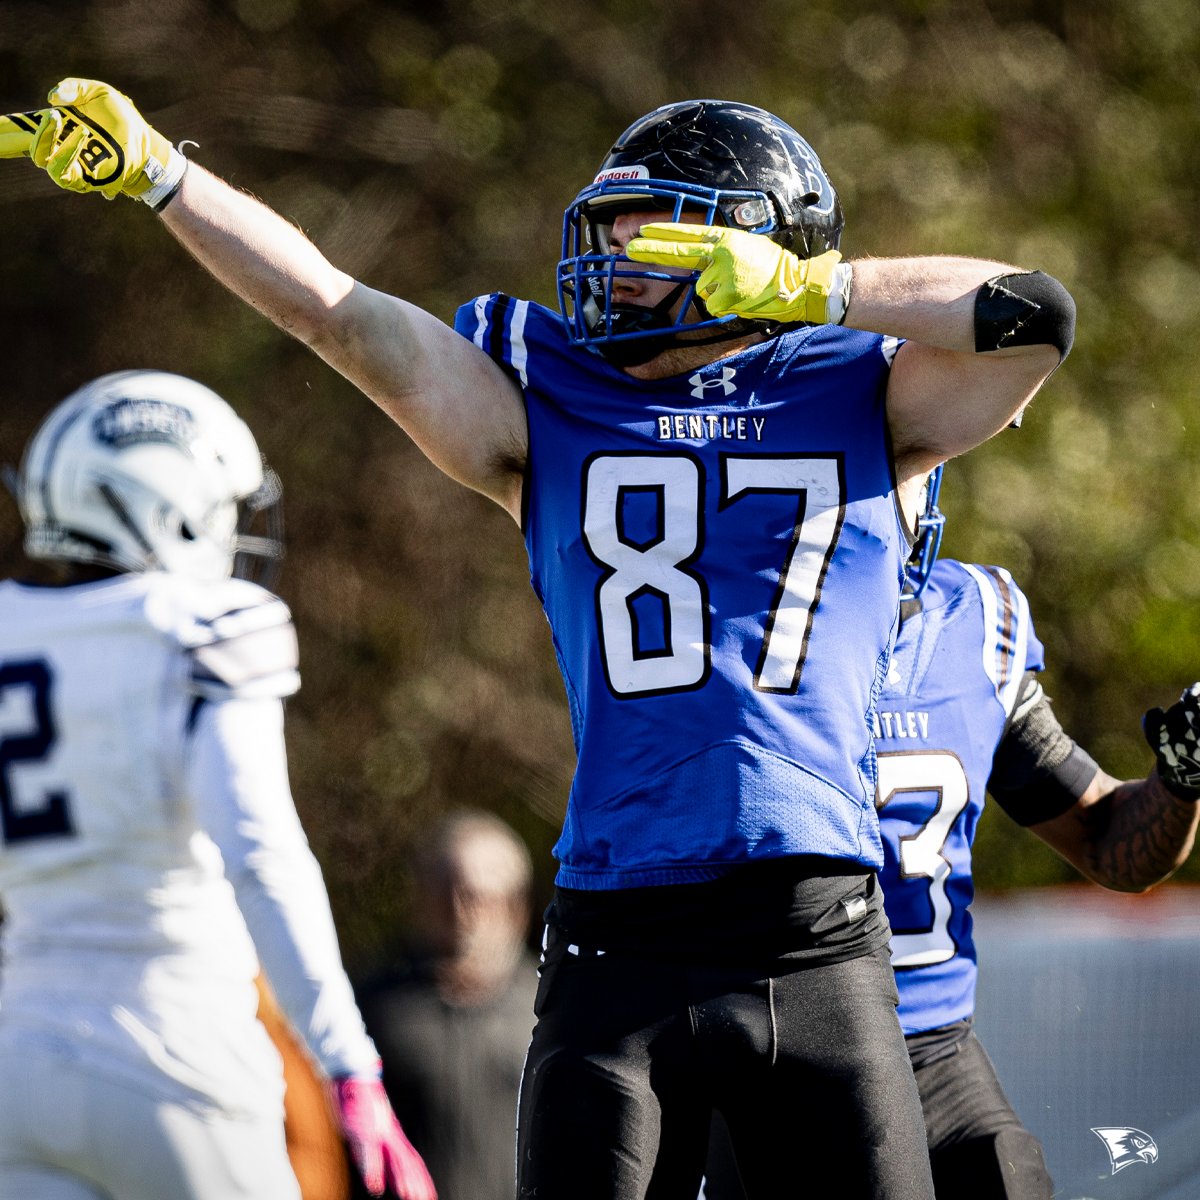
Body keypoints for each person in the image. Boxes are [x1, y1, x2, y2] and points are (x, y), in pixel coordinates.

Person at [3, 81, 1079, 1198]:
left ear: (753, 242)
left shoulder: (865, 391)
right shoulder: (547, 393)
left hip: (812, 940)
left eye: (644, 226)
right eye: (607, 225)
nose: (609, 253)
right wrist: (166, 180)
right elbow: (332, 307)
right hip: (616, 938)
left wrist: (822, 289)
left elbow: (1034, 315)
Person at [699, 472, 1200, 1199]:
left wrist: (1180, 779)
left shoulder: (973, 621)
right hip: (782, 1048)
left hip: (937, 1047)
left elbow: (1108, 843)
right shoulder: (722, 626)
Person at [0, 370, 436, 1200]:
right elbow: (260, 854)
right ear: (168, 504)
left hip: (19, 1058)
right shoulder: (204, 628)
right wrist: (347, 1060)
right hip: (173, 1048)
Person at [353, 810, 537, 1200]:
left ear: (515, 906)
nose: (458, 909)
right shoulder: (372, 1009)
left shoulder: (545, 1013)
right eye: (443, 889)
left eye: (475, 895)